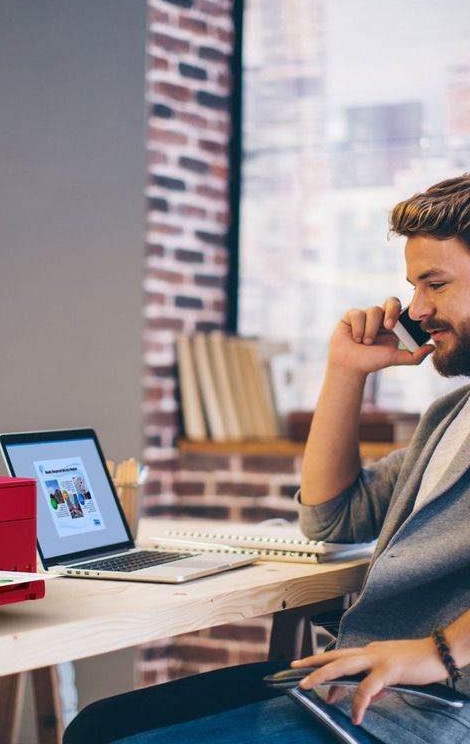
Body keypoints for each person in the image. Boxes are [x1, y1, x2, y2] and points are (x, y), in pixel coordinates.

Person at [63, 174, 470, 744]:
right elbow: (331, 518)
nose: (419, 308)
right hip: (364, 680)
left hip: (433, 706)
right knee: (99, 726)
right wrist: (344, 371)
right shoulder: (452, 417)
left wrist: (437, 655)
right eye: (413, 286)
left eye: (436, 284)